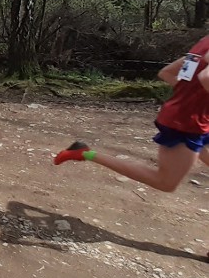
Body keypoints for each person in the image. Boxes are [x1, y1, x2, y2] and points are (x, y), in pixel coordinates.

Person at [55, 35, 209, 195]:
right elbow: (205, 78)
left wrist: (192, 96)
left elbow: (168, 73)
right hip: (186, 123)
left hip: (192, 115)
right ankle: (85, 153)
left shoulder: (204, 42)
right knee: (166, 182)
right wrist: (194, 97)